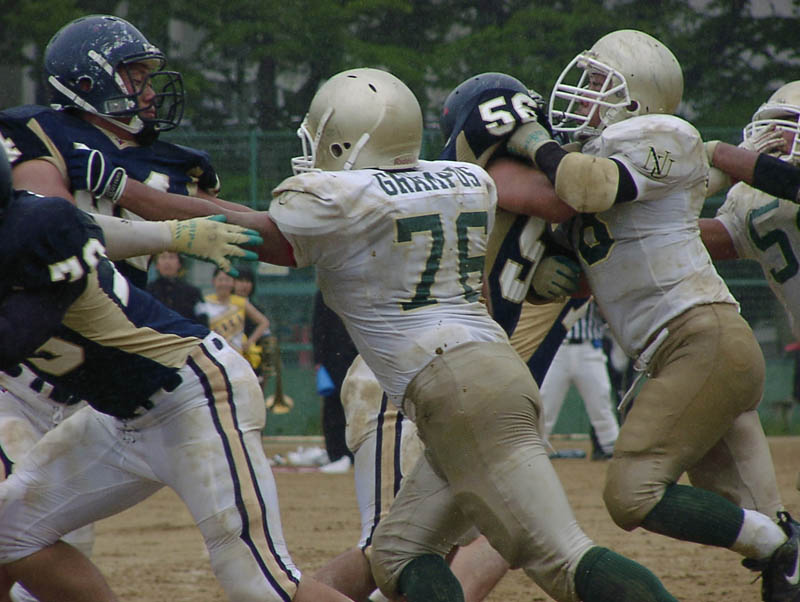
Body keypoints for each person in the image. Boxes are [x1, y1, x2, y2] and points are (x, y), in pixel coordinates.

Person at [247, 66, 683, 602]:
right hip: (417, 383)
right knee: (394, 551)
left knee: (432, 550)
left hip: (453, 380)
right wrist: (556, 150)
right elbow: (565, 198)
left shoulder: (473, 185)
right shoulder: (492, 179)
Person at [490, 28, 800, 599]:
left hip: (700, 339)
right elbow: (612, 246)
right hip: (688, 352)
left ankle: (780, 543)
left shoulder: (659, 134)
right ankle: (782, 546)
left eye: (598, 85)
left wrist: (535, 143)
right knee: (761, 529)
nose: (583, 97)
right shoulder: (606, 157)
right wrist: (551, 272)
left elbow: (588, 186)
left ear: (635, 99)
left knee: (631, 494)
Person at [0, 146, 352, 602]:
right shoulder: (39, 224)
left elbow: (15, 335)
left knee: (260, 584)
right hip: (119, 416)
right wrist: (170, 233)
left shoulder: (38, 230)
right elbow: (94, 227)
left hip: (194, 394)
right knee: (9, 534)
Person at [0, 14, 254, 290]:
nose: (151, 94)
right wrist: (169, 233)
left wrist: (291, 210)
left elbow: (263, 233)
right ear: (87, 83)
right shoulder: (39, 130)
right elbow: (58, 232)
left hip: (124, 303)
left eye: (149, 82)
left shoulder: (166, 159)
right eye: (137, 80)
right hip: (54, 297)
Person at [699, 80, 800, 498]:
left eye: (788, 125)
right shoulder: (753, 200)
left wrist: (718, 153)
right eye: (769, 126)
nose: (774, 137)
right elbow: (693, 237)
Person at [539, 298, 618, 460]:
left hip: (589, 347)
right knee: (544, 404)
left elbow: (609, 313)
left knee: (601, 403)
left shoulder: (595, 284)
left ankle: (613, 451)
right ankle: (534, 450)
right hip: (557, 349)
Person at [311, 290, 357, 473]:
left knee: (356, 406)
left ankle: (354, 452)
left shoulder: (361, 287)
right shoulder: (325, 291)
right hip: (332, 357)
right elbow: (318, 326)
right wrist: (318, 360)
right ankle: (336, 453)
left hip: (357, 355)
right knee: (333, 405)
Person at [203, 268, 271, 359]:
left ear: (233, 283)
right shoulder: (205, 302)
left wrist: (249, 342)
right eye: (220, 280)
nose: (224, 283)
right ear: (214, 281)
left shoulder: (240, 302)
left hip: (236, 356)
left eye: (227, 280)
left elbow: (264, 322)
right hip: (213, 354)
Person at [147, 250, 209, 325]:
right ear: (157, 265)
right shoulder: (148, 291)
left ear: (179, 264)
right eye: (163, 257)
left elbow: (203, 319)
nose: (167, 262)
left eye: (171, 257)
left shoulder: (193, 292)